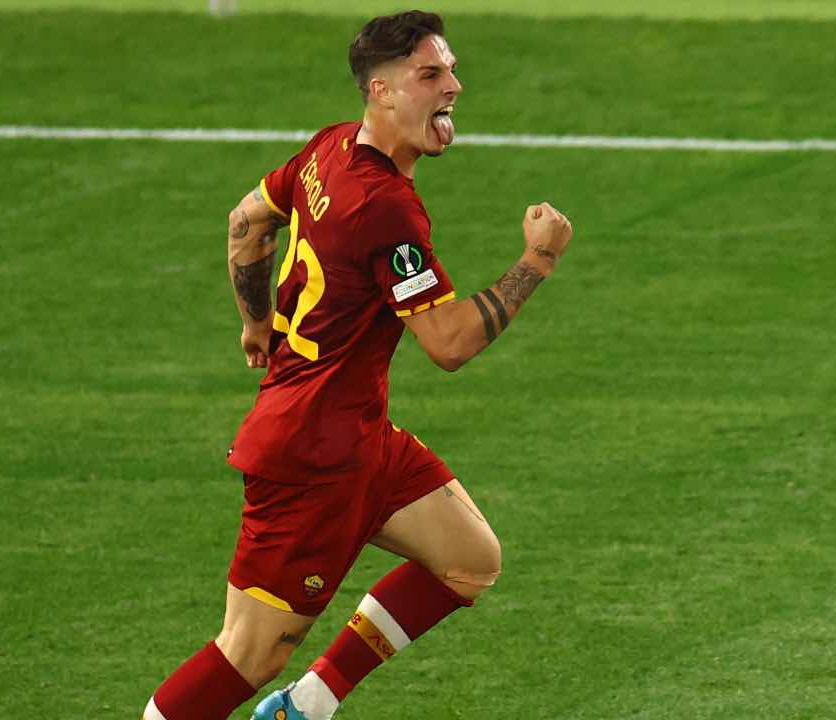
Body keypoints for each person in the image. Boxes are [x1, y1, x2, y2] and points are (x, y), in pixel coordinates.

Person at [141, 10, 573, 720]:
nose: (453, 86)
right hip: (310, 458)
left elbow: (246, 223)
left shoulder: (329, 148)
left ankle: (306, 707)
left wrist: (257, 321)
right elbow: (449, 343)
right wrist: (538, 260)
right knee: (247, 654)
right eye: (430, 74)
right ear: (381, 91)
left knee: (469, 561)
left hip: (360, 437)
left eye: (451, 70)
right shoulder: (385, 209)